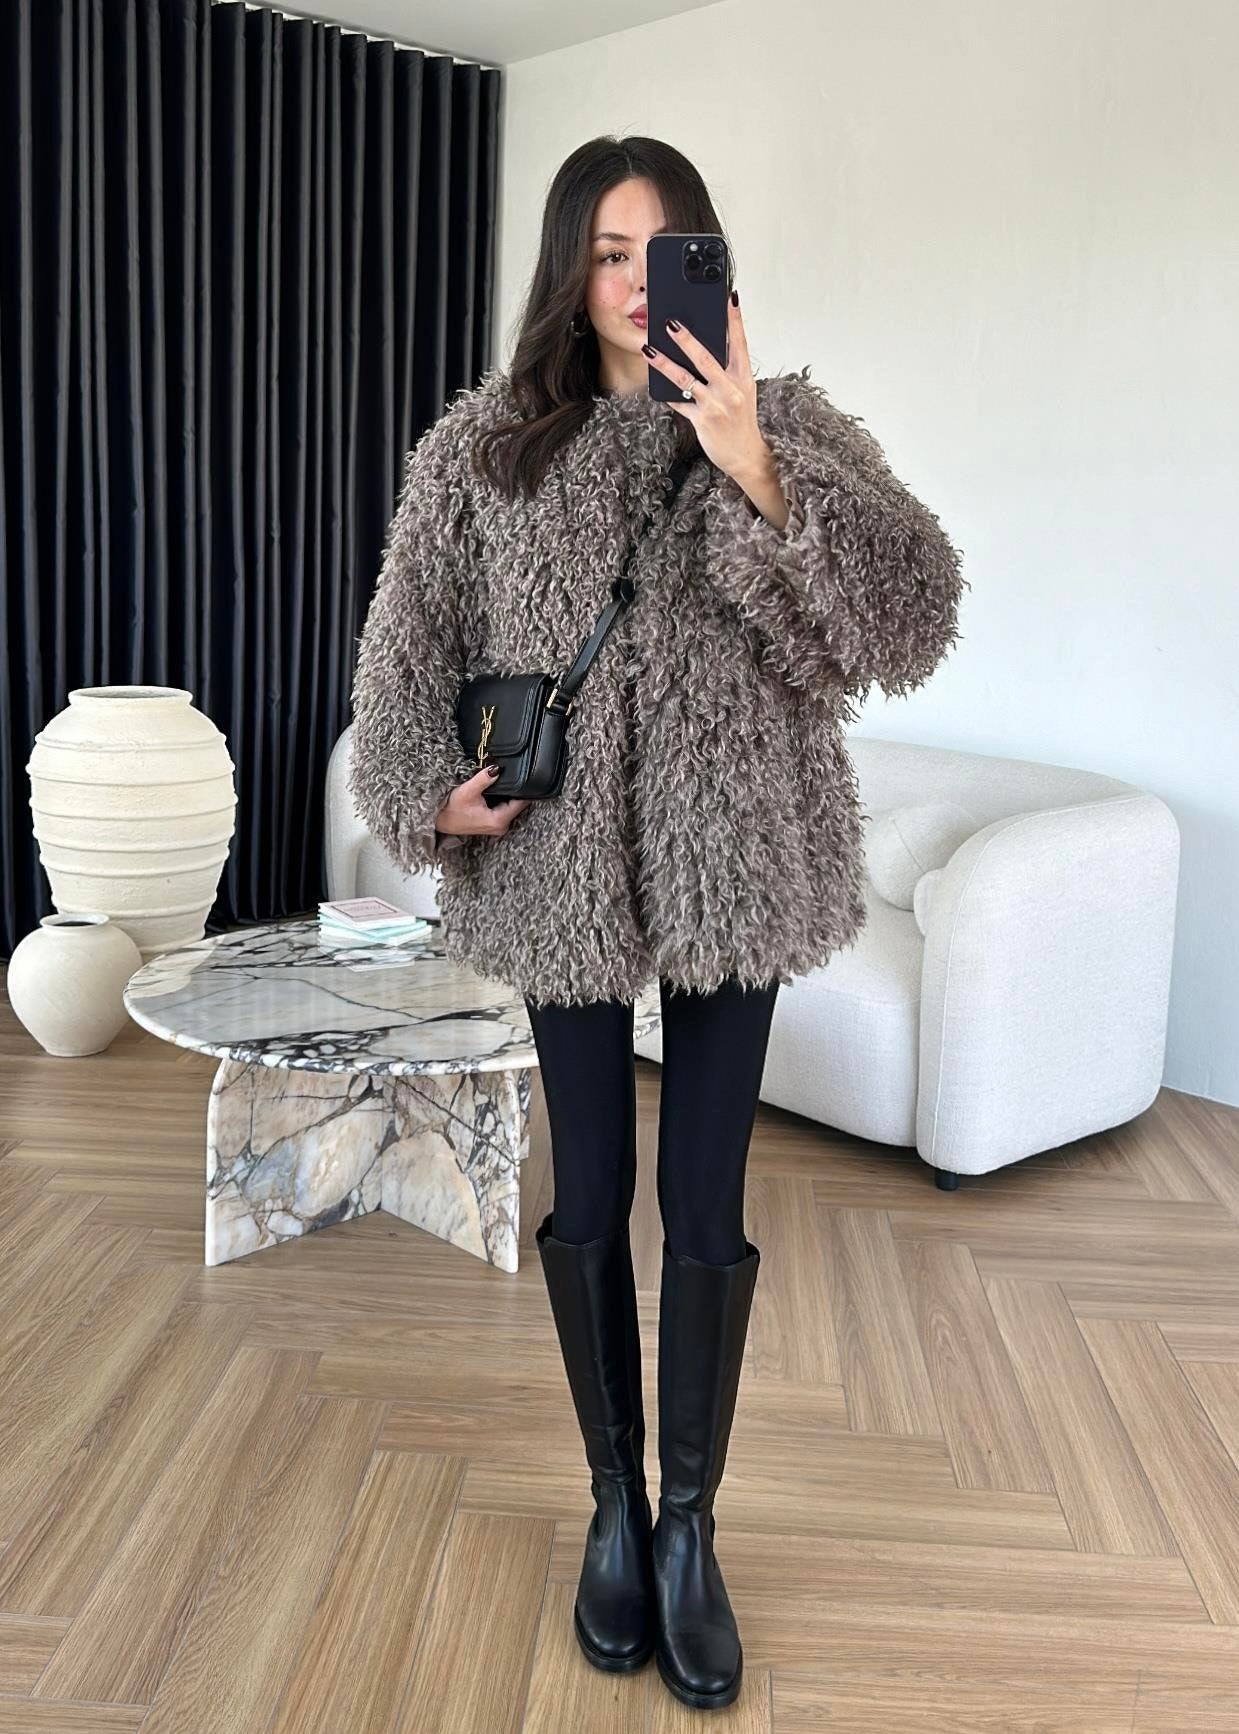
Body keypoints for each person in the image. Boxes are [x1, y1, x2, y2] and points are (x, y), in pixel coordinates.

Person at [348, 135, 967, 1712]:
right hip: (557, 863)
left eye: (666, 250)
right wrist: (428, 792)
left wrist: (754, 460)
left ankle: (690, 1526)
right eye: (611, 254)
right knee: (590, 1193)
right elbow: (404, 648)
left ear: (710, 263)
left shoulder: (784, 423)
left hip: (736, 859)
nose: (636, 284)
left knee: (703, 1196)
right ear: (571, 272)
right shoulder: (487, 450)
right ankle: (612, 1502)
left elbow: (911, 616)